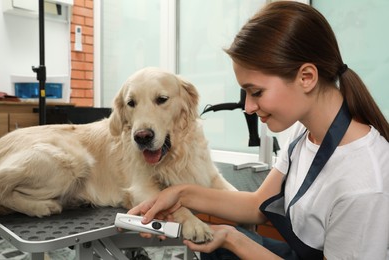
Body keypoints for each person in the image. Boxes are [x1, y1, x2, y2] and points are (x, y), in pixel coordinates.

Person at [128, 1, 389, 259]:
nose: (249, 107)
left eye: (256, 92)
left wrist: (234, 239)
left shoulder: (363, 184)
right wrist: (178, 194)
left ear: (306, 77)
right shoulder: (303, 131)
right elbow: (257, 205)